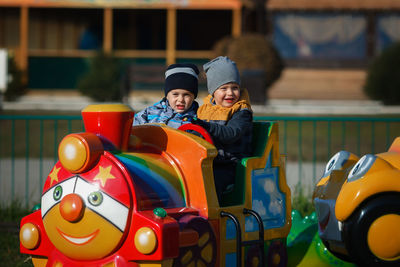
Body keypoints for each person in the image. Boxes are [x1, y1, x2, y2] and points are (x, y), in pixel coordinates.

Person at [193, 56, 253, 201]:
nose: (230, 93)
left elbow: (231, 134)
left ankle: (214, 216)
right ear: (213, 92)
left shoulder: (242, 112)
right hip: (209, 161)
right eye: (224, 88)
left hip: (231, 165)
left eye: (235, 88)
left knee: (212, 180)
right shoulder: (206, 110)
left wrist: (205, 126)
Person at [133, 63, 200, 128]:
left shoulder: (197, 118)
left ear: (194, 97)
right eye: (175, 94)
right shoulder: (151, 112)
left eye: (186, 95)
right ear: (167, 96)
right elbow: (132, 125)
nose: (181, 99)